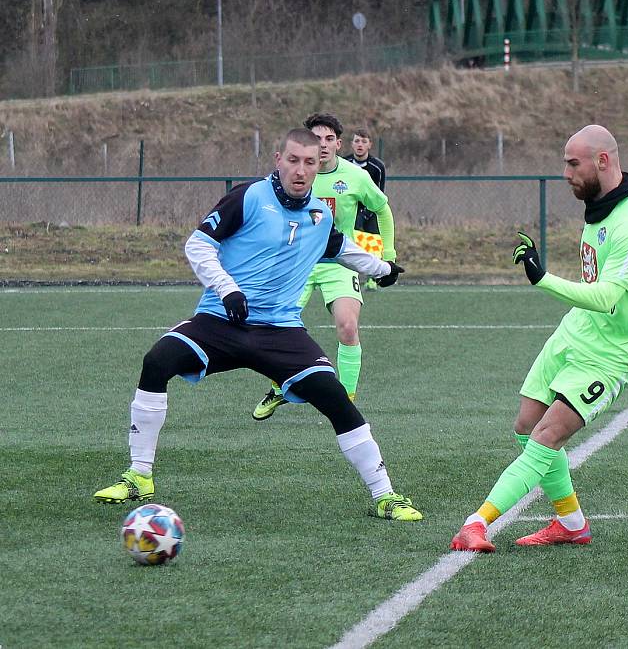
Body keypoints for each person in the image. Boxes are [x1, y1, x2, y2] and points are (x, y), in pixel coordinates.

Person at [94, 128, 422, 522]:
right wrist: (227, 289)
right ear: (278, 160)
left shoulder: (319, 213)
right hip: (220, 321)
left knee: (334, 397)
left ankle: (385, 496)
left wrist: (383, 269)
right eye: (294, 160)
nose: (301, 170)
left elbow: (341, 249)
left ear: (319, 166)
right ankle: (138, 475)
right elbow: (197, 245)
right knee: (158, 361)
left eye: (310, 163)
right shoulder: (248, 198)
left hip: (280, 332)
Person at [450, 124, 628, 552]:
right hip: (577, 330)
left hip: (612, 353)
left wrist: (541, 278)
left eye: (573, 164)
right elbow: (615, 274)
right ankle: (571, 523)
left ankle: (476, 523)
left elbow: (609, 293)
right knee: (526, 426)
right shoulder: (601, 205)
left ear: (603, 161)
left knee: (546, 436)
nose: (566, 173)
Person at [253, 113, 397, 419]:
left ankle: (344, 401)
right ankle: (279, 387)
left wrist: (389, 253)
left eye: (328, 139)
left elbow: (382, 208)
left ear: (338, 144)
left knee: (348, 326)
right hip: (297, 265)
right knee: (275, 326)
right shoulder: (294, 174)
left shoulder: (355, 177)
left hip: (340, 262)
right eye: (316, 139)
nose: (322, 145)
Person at [344, 128, 387, 290]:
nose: (360, 145)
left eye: (363, 141)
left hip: (370, 211)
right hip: (349, 210)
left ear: (370, 145)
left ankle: (372, 279)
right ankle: (346, 275)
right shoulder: (344, 163)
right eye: (356, 141)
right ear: (351, 144)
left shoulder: (377, 167)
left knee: (372, 243)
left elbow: (379, 194)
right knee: (348, 244)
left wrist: (366, 213)